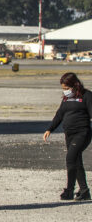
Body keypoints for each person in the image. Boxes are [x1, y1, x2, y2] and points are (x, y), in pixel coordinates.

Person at [42, 72, 92, 201]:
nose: (65, 91)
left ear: (74, 85)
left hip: (82, 133)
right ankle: (84, 191)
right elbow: (59, 114)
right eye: (63, 89)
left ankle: (69, 190)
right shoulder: (66, 98)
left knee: (70, 158)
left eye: (66, 88)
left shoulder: (87, 96)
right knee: (76, 160)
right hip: (69, 133)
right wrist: (50, 129)